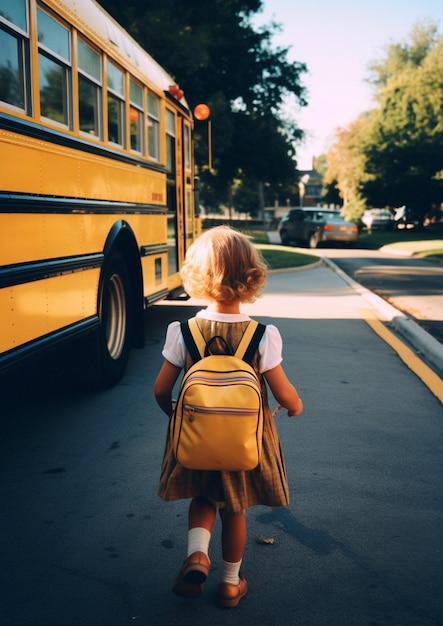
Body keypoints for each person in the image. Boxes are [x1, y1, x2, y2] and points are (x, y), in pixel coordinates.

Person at [154, 226, 304, 608]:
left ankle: (197, 554)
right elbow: (284, 393)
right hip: (244, 442)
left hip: (195, 438)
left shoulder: (183, 331)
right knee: (234, 510)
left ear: (196, 277)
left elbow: (160, 390)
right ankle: (230, 584)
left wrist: (175, 416)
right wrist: (294, 405)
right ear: (252, 277)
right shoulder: (262, 335)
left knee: (204, 498)